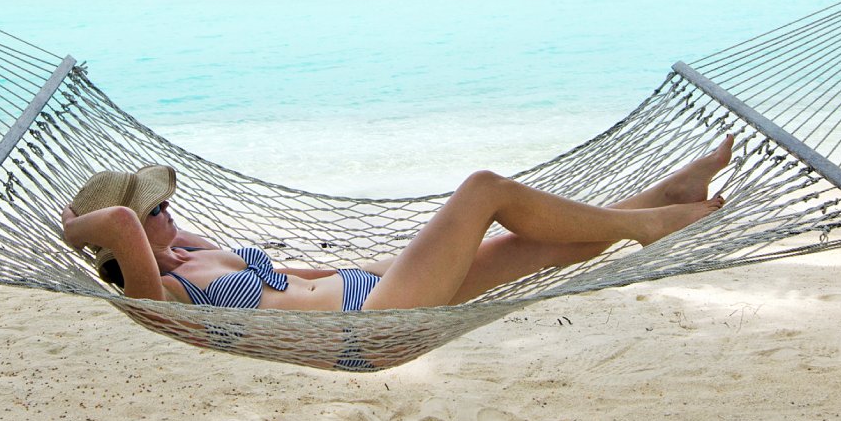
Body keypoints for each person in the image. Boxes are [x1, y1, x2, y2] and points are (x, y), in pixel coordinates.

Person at [60, 135, 731, 312]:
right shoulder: (160, 298)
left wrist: (360, 268)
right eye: (155, 210)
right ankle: (643, 224)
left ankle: (659, 197)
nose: (166, 213)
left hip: (368, 284)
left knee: (526, 247)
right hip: (370, 323)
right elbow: (117, 221)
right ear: (122, 238)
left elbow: (129, 221)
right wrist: (75, 229)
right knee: (483, 192)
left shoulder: (188, 248)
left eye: (165, 203)